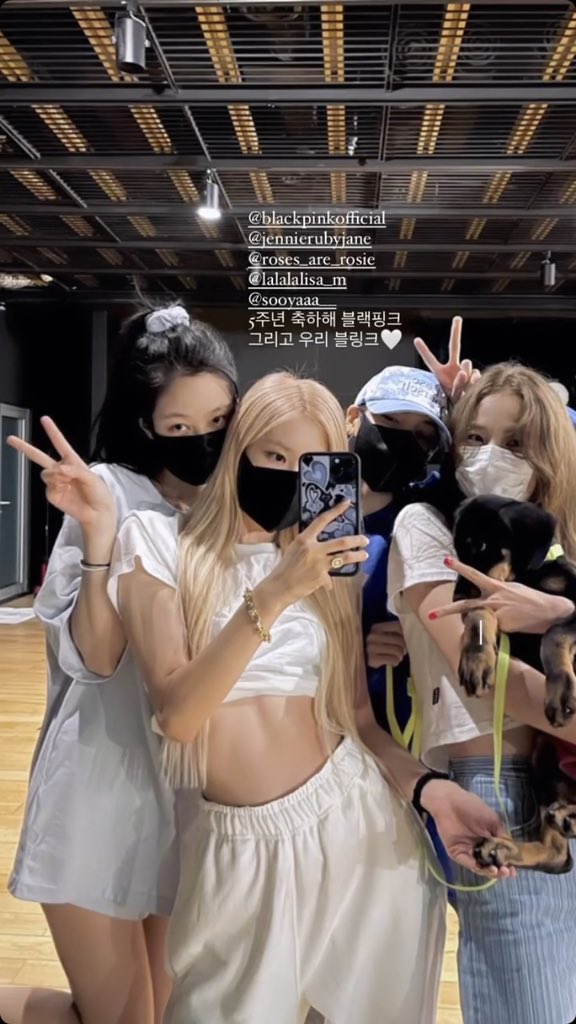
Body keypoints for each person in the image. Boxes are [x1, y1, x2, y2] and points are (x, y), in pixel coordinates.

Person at [108, 370, 513, 1024]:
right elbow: (177, 716)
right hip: (236, 849)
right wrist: (274, 592)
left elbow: (357, 720)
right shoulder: (157, 542)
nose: (290, 476)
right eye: (273, 455)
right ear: (237, 448)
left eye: (311, 463)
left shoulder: (331, 569)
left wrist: (430, 790)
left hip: (363, 832)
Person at [4, 304, 238, 1024]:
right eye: (179, 427)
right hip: (99, 791)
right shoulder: (107, 491)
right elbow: (97, 659)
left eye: (217, 420)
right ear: (146, 424)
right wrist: (102, 537)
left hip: (185, 799)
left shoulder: (233, 508)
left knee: (161, 1013)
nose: (203, 440)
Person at [387, 362, 576, 1024]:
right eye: (476, 437)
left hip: (561, 784)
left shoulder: (556, 542)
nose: (492, 456)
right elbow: (488, 677)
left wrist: (557, 616)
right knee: (532, 1007)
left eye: (516, 442)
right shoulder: (427, 525)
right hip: (496, 783)